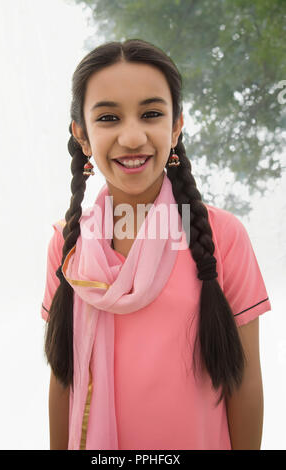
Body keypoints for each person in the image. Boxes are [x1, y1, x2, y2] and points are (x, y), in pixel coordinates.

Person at [40, 39, 271, 451]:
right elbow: (63, 379)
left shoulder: (223, 236)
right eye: (109, 117)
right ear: (83, 136)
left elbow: (245, 381)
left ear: (176, 126)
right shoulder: (66, 243)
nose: (132, 137)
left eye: (151, 114)